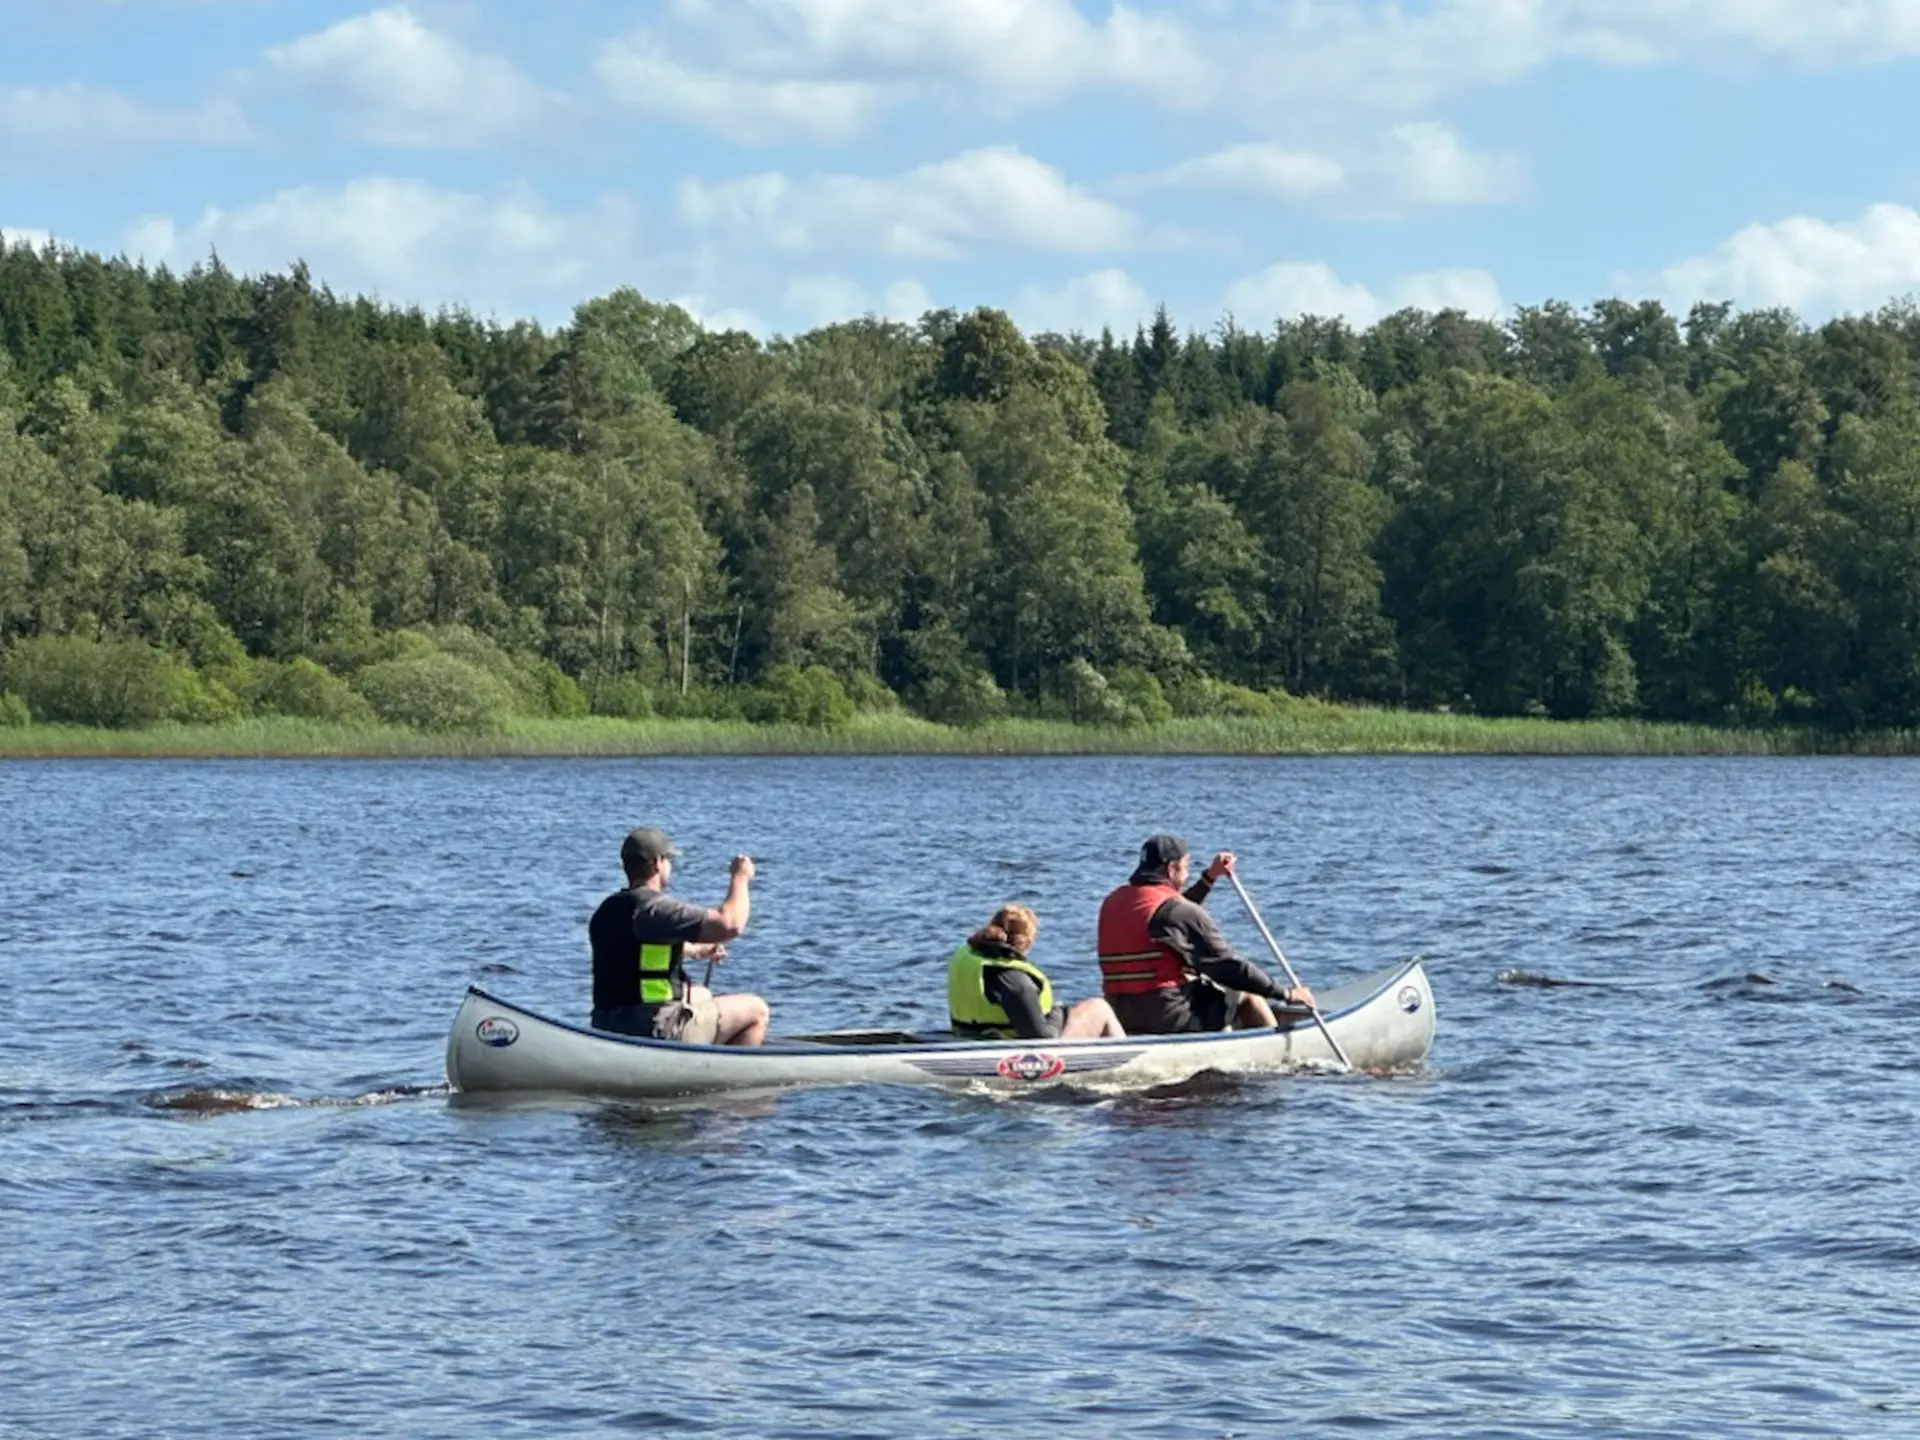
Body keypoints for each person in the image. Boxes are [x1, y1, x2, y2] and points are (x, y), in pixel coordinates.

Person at [1095, 834, 1315, 1035]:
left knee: (1198, 984)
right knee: (1248, 997)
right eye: (1186, 867)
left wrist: (1210, 877)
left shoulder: (1114, 900)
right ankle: (1277, 1055)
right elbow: (1228, 964)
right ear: (1172, 869)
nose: (1187, 874)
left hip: (1120, 1012)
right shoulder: (1176, 911)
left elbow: (1170, 916)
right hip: (1165, 1015)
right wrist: (1285, 994)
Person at [588, 826, 769, 1046]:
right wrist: (740, 877)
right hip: (653, 1029)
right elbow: (730, 925)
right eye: (668, 860)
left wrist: (698, 950)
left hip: (606, 1025)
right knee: (756, 1010)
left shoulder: (607, 910)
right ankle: (731, 1074)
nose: (670, 866)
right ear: (657, 863)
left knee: (702, 994)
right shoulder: (657, 909)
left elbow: (633, 954)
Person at [948, 903, 1126, 1040]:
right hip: (1010, 1046)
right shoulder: (1014, 980)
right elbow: (1040, 1038)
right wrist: (1058, 1013)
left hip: (971, 1035)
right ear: (1025, 942)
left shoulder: (969, 954)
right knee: (1099, 1007)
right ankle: (1130, 1060)